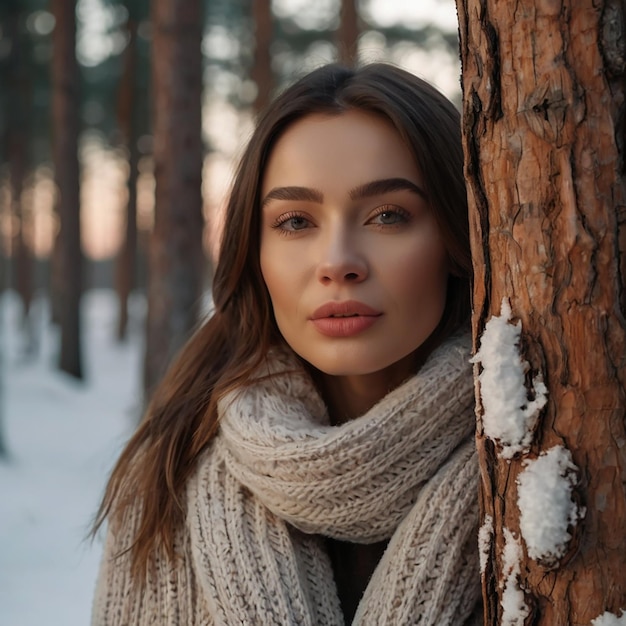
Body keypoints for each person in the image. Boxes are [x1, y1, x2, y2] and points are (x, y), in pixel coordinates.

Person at [91, 62, 481, 625]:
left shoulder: (548, 448)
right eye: (297, 221)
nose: (338, 263)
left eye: (388, 215)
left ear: (454, 236)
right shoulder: (169, 470)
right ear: (256, 254)